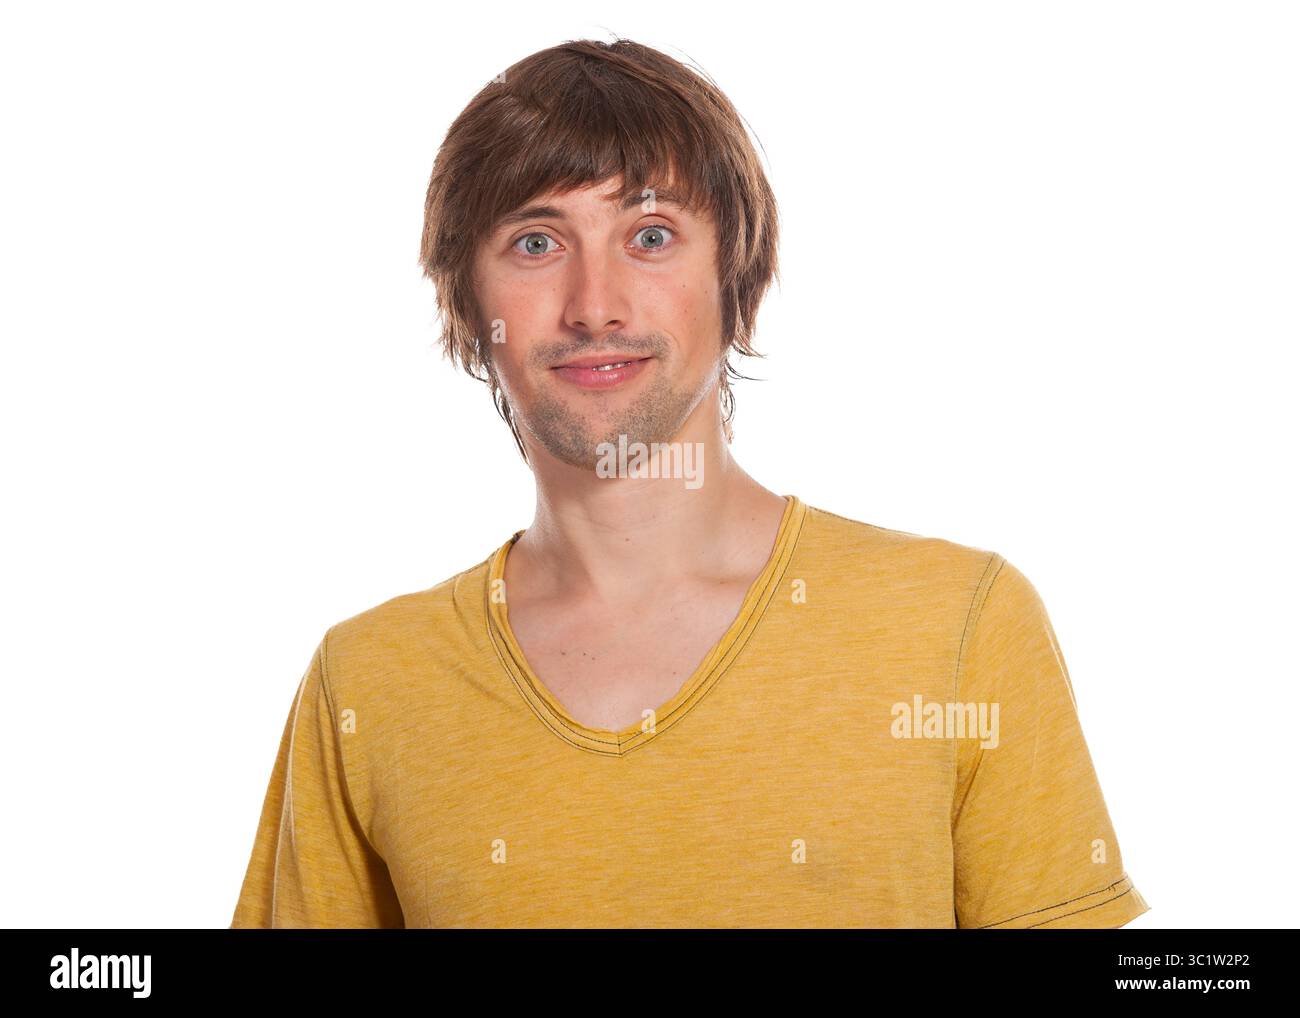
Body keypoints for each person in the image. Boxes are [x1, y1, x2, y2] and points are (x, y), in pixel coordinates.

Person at [230, 38, 1149, 929]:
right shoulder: (370, 680)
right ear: (469, 305)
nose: (596, 304)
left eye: (652, 234)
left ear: (737, 281)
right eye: (538, 242)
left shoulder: (960, 627)